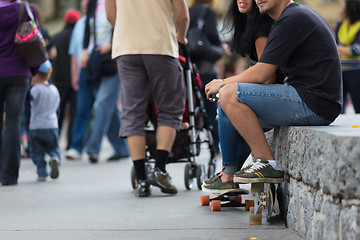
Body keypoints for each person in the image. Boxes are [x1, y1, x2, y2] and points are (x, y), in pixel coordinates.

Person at [203, 0, 342, 193]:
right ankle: (228, 176)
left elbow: (263, 73)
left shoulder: (291, 18)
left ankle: (266, 163)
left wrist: (223, 82)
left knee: (228, 93)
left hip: (313, 102)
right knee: (228, 108)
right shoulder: (289, 17)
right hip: (311, 100)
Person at [105, 0, 190, 197]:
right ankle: (160, 169)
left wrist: (127, 33)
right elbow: (183, 15)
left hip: (126, 49)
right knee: (169, 108)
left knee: (132, 112)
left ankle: (142, 180)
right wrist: (181, 37)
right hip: (160, 46)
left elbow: (110, 15)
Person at [201, 0, 279, 191]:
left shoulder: (261, 28)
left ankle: (229, 174)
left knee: (226, 101)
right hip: (270, 91)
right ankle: (229, 173)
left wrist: (228, 83)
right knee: (228, 102)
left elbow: (267, 78)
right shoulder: (249, 24)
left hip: (276, 93)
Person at [65, 0, 129, 162]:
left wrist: (111, 44)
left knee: (102, 103)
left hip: (113, 59)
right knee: (108, 107)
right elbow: (88, 28)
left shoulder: (119, 2)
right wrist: (85, 49)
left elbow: (124, 24)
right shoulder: (93, 3)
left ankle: (93, 149)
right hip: (94, 60)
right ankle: (122, 148)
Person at [0, 0, 40, 186]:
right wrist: (32, 71)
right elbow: (35, 38)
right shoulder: (26, 9)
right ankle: (9, 176)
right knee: (14, 123)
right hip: (19, 71)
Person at [189, 0, 223, 154]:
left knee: (191, 108)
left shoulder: (187, 11)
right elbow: (212, 35)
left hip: (190, 69)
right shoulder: (208, 12)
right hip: (207, 68)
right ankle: (215, 145)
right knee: (211, 109)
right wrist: (221, 48)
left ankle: (191, 144)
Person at [51, 9, 81, 150]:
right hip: (75, 82)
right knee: (75, 113)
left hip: (58, 81)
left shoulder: (55, 37)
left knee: (58, 114)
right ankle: (71, 144)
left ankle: (54, 142)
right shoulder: (78, 38)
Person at [29, 60, 61, 182]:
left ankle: (42, 172)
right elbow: (58, 109)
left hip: (37, 126)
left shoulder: (35, 89)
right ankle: (55, 158)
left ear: (36, 75)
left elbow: (29, 103)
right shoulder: (54, 90)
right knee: (53, 147)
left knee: (37, 151)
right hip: (52, 125)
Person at [334, 0, 360, 114]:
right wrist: (345, 49)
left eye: (342, 8)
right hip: (340, 71)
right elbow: (332, 47)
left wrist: (339, 48)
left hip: (356, 71)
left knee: (358, 106)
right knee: (339, 106)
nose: (339, 11)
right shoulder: (340, 25)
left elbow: (356, 50)